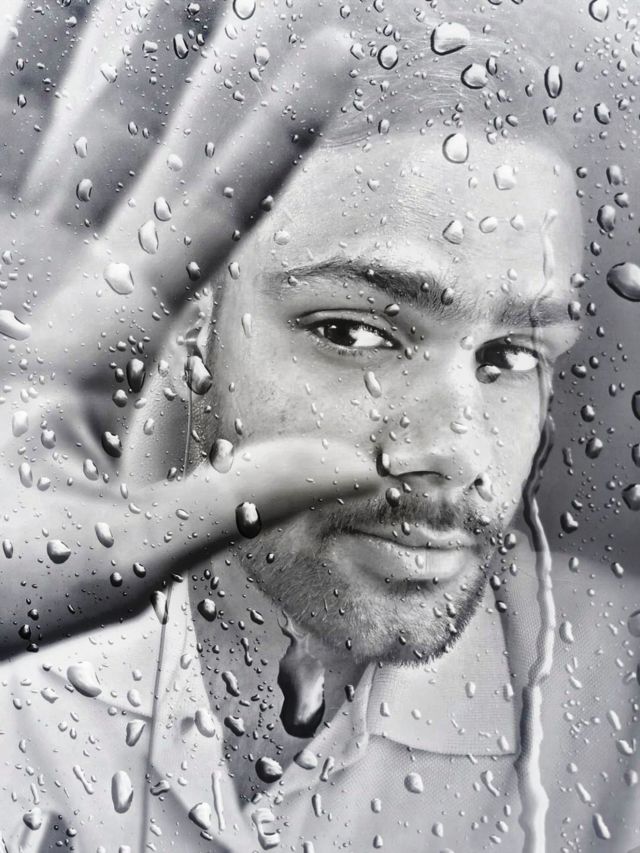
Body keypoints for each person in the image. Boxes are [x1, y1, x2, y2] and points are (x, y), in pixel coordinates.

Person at [1, 1, 639, 851]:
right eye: (352, 332)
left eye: (511, 355)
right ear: (190, 321)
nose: (457, 451)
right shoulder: (24, 661)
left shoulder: (614, 697)